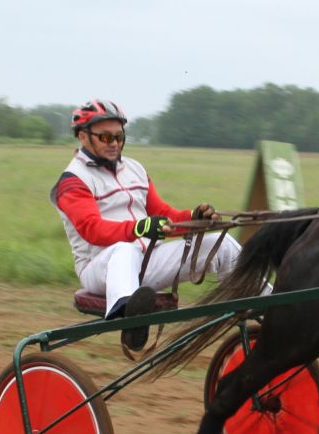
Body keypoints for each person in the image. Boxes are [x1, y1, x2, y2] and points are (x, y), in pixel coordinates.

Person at [51, 99, 240, 350]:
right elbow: (92, 229)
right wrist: (138, 228)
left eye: (119, 136)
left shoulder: (135, 169)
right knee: (124, 249)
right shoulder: (73, 180)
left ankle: (269, 303)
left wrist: (195, 218)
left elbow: (162, 213)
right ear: (83, 137)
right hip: (99, 268)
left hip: (145, 260)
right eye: (106, 138)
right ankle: (130, 317)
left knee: (219, 243)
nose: (115, 143)